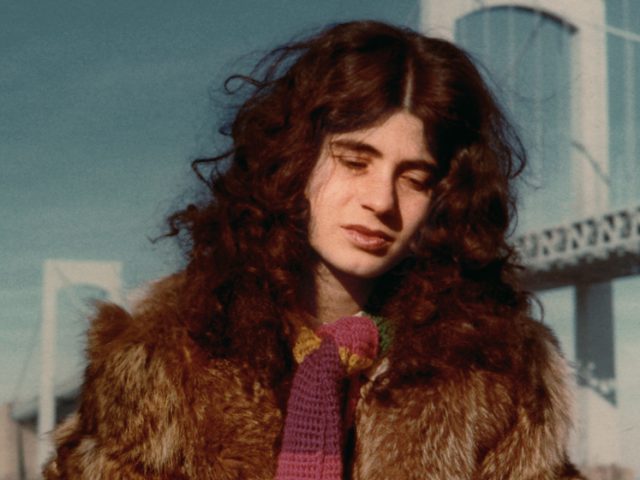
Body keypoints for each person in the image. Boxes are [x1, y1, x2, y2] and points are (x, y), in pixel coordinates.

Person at [44, 20, 584, 479]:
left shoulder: (499, 372)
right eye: (355, 161)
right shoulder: (167, 355)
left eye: (414, 178)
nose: (380, 201)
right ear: (296, 160)